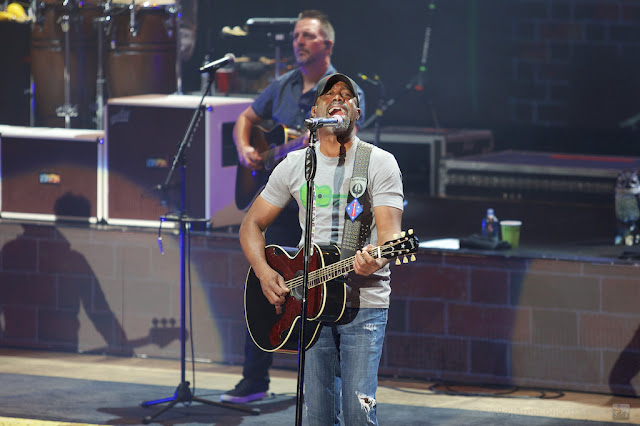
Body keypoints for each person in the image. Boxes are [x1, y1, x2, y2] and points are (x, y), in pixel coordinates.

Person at [238, 73, 403, 424]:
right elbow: (251, 225)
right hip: (310, 306)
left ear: (357, 112)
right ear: (315, 111)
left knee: (359, 413)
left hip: (364, 303)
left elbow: (390, 236)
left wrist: (376, 258)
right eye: (330, 94)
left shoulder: (378, 163)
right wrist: (266, 273)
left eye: (347, 95)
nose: (338, 98)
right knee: (319, 416)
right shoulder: (297, 165)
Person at [221, 10, 366, 403]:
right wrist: (246, 149)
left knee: (318, 289)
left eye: (307, 36)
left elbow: (349, 138)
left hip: (320, 207)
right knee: (265, 279)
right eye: (296, 36)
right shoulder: (283, 83)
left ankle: (325, 388)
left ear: (327, 45)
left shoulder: (338, 90)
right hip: (281, 201)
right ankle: (254, 380)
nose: (298, 42)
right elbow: (245, 118)